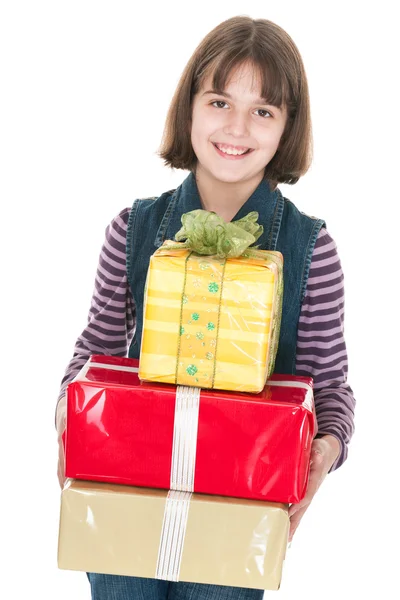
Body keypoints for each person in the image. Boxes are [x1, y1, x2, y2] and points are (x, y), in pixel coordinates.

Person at [56, 15, 355, 600]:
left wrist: (326, 447)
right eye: (220, 101)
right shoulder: (133, 230)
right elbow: (94, 354)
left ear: (287, 127)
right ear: (189, 107)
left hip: (237, 515)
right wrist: (68, 414)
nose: (236, 127)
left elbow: (331, 388)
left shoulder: (310, 250)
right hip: (126, 503)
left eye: (264, 111)